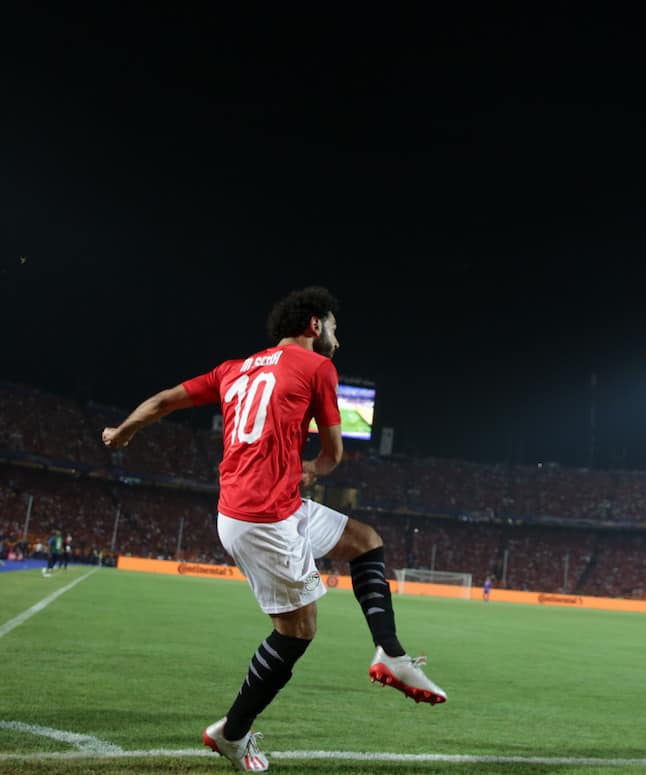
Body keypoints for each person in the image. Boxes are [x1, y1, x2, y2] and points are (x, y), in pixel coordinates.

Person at [102, 287, 446, 773]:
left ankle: (390, 652)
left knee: (366, 540)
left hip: (267, 504)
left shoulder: (233, 369)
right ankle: (232, 733)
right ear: (313, 326)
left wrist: (123, 432)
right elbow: (332, 455)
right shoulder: (318, 368)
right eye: (333, 328)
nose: (337, 341)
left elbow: (163, 402)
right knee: (298, 631)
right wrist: (313, 470)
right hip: (261, 516)